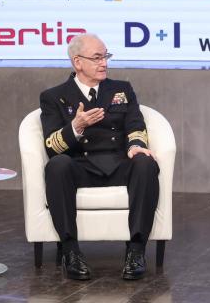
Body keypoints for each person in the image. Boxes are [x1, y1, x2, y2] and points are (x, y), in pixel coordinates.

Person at [40, 33, 159, 281]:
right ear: (77, 62)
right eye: (96, 58)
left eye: (105, 56)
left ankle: (136, 251)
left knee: (146, 163)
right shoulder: (53, 96)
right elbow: (51, 145)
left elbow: (136, 125)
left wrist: (135, 146)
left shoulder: (121, 89)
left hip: (118, 163)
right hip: (81, 166)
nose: (104, 63)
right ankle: (70, 252)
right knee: (57, 166)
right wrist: (76, 127)